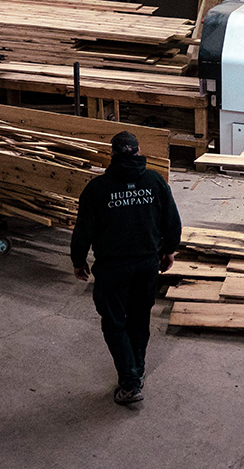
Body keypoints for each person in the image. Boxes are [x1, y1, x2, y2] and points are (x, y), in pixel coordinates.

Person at [71, 132, 181, 406]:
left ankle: (130, 382)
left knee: (114, 322)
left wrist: (78, 259)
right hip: (146, 265)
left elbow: (83, 229)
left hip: (112, 268)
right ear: (138, 152)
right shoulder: (155, 182)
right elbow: (172, 220)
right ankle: (137, 372)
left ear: (112, 154)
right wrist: (169, 249)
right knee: (139, 319)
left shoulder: (98, 188)